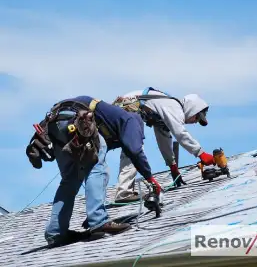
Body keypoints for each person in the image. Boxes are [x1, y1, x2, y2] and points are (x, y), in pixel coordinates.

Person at [26, 95, 161, 246]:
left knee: (70, 180)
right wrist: (150, 179)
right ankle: (98, 220)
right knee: (97, 168)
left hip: (54, 124)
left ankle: (56, 232)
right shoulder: (132, 118)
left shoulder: (108, 118)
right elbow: (135, 150)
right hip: (75, 119)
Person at [113, 87, 215, 203]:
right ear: (192, 110)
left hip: (125, 111)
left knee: (130, 150)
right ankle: (124, 193)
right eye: (197, 117)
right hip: (127, 109)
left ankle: (124, 192)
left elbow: (164, 139)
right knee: (134, 150)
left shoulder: (167, 110)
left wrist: (173, 166)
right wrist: (201, 153)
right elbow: (180, 133)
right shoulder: (173, 107)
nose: (195, 122)